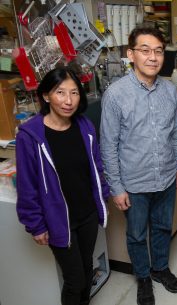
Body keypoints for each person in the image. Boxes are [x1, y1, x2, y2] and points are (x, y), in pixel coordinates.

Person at [100, 26, 177, 305]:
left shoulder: (170, 90)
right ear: (131, 54)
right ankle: (143, 276)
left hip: (166, 178)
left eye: (158, 51)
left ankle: (160, 268)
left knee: (162, 227)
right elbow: (108, 145)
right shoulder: (115, 94)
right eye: (145, 50)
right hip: (133, 183)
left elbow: (174, 133)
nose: (153, 57)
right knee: (136, 234)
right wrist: (116, 187)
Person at [16, 67, 109, 305]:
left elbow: (96, 166)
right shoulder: (30, 135)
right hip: (58, 219)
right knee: (75, 279)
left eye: (75, 93)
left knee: (87, 269)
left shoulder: (84, 126)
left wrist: (103, 196)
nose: (69, 101)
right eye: (60, 92)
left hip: (87, 214)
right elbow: (27, 184)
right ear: (46, 95)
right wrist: (35, 225)